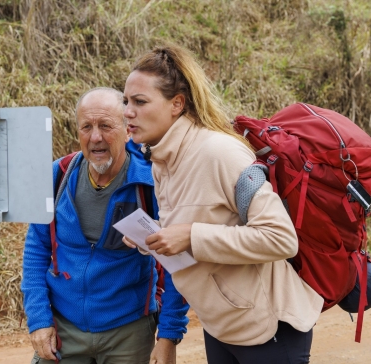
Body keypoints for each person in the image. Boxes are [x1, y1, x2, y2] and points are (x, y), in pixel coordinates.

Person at [121, 45, 324, 364]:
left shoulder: (220, 153)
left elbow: (281, 239)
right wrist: (154, 239)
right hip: (221, 324)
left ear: (177, 104)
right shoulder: (162, 161)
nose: (128, 112)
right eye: (126, 102)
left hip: (268, 327)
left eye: (140, 102)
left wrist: (191, 236)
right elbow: (196, 231)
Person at [21, 87, 189, 364]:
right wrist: (39, 320)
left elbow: (178, 266)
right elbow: (36, 251)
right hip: (64, 330)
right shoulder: (58, 177)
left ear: (127, 131)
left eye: (105, 126)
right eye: (86, 127)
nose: (95, 137)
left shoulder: (151, 185)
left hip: (129, 333)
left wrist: (168, 336)